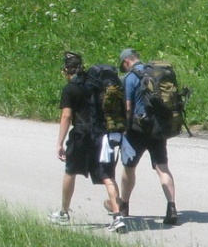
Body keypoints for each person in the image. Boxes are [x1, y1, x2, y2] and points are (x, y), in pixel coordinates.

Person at [50, 51, 123, 231]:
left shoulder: (70, 89)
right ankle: (118, 217)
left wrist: (59, 143)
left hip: (81, 136)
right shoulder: (95, 83)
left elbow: (66, 117)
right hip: (102, 135)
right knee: (107, 176)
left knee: (70, 172)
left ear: (65, 70)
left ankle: (64, 213)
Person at [116, 48, 179, 226]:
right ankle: (171, 207)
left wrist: (123, 128)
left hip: (137, 130)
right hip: (157, 128)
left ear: (127, 61)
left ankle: (124, 206)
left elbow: (128, 107)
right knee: (162, 168)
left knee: (129, 167)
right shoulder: (155, 73)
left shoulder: (130, 78)